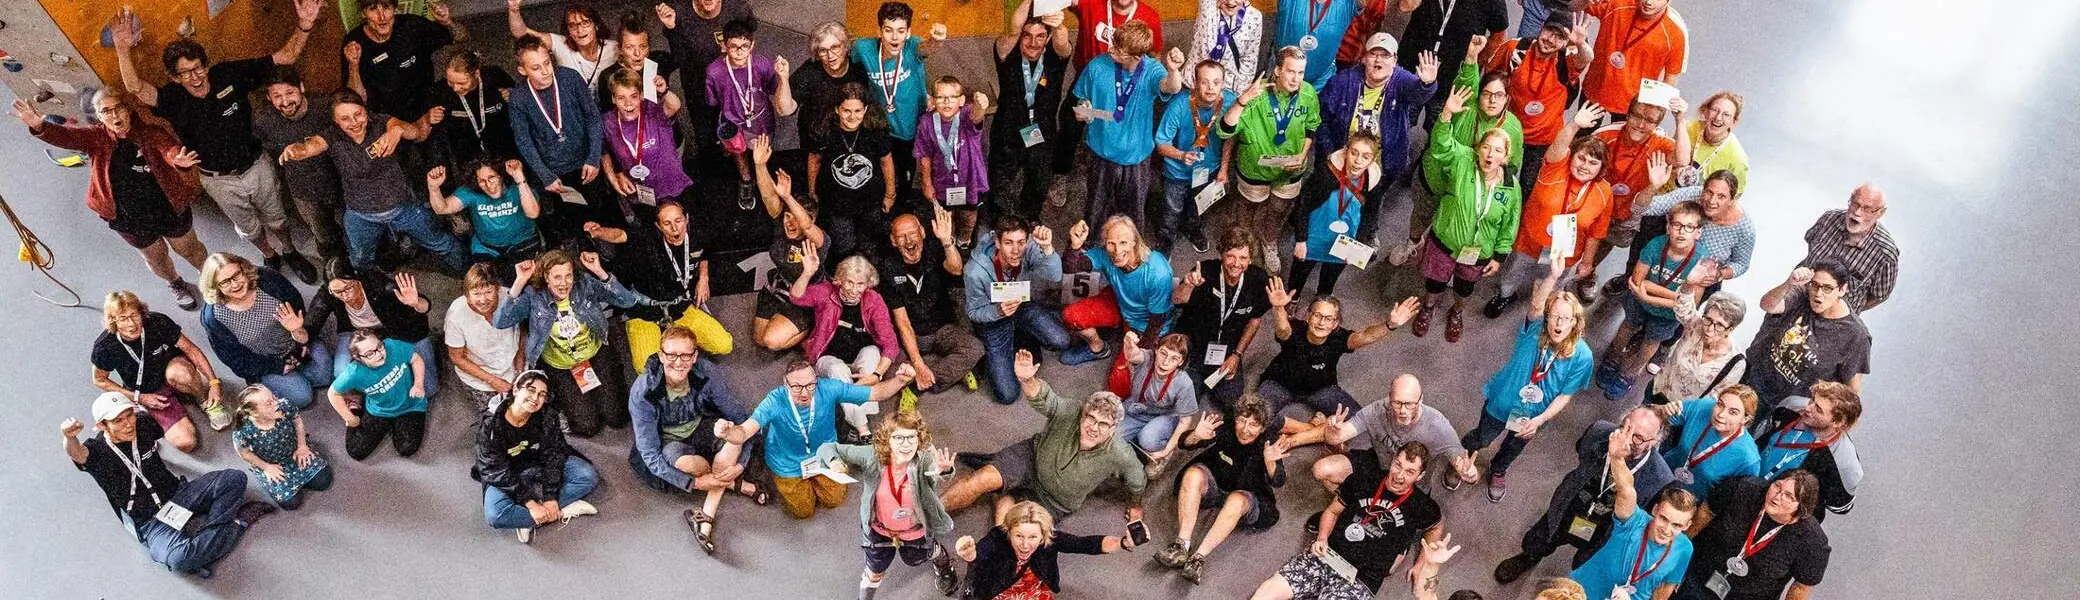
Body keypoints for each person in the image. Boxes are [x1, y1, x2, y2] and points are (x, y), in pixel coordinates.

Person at [109, 0, 325, 284]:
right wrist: (122, 49)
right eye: (185, 73)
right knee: (249, 228)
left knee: (277, 218)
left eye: (198, 68)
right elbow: (135, 87)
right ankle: (269, 254)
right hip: (218, 180)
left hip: (256, 165)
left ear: (206, 65)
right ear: (174, 77)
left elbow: (285, 56)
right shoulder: (172, 99)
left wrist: (305, 24)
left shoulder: (228, 75)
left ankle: (289, 250)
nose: (195, 77)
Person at [14, 92, 211, 310]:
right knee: (156, 257)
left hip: (167, 206)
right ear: (99, 116)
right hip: (127, 216)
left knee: (189, 248)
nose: (114, 115)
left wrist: (178, 160)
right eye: (106, 111)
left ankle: (211, 276)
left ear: (128, 110)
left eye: (118, 108)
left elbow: (168, 149)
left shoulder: (151, 133)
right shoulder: (96, 137)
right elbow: (68, 136)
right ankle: (175, 283)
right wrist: (40, 126)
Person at [66, 393, 275, 578]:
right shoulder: (97, 452)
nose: (128, 424)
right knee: (178, 559)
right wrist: (69, 438)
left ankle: (206, 544)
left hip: (178, 493)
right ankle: (236, 524)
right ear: (103, 425)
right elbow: (77, 453)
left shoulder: (142, 425)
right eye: (118, 421)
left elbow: (156, 431)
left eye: (129, 415)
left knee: (234, 478)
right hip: (149, 522)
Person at [938, 350, 1147, 520]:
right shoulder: (1071, 411)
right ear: (1083, 414)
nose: (1094, 427)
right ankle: (930, 514)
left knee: (1017, 532)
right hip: (1031, 458)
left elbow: (1138, 479)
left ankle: (1003, 495)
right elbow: (1047, 400)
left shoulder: (1120, 453)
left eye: (1103, 424)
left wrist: (1136, 505)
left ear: (1113, 429)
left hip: (1055, 502)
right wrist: (1028, 381)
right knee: (983, 479)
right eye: (1090, 418)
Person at [276, 91, 468, 273]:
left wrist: (397, 130)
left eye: (358, 114)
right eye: (345, 118)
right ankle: (367, 284)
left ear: (366, 111)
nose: (354, 123)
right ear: (336, 122)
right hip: (361, 215)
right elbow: (313, 145)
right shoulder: (332, 135)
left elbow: (417, 132)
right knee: (360, 259)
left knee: (442, 243)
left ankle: (470, 272)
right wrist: (299, 150)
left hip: (403, 207)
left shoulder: (382, 122)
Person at [1492, 408, 1676, 584]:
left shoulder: (1659, 478)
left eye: (1638, 437)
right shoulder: (1599, 431)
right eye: (1625, 427)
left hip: (1606, 526)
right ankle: (1528, 557)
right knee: (1542, 537)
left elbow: (1641, 515)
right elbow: (1581, 449)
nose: (1626, 439)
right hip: (1571, 503)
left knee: (1587, 563)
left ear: (1653, 441)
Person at [1460, 258, 1592, 502]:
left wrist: (1540, 419)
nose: (1558, 323)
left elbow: (1565, 395)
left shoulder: (1583, 356)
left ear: (1575, 321)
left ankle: (1498, 469)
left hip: (1533, 416)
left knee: (1513, 445)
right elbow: (1536, 305)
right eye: (1554, 316)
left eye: (1566, 318)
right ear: (1547, 317)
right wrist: (1553, 276)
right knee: (1482, 436)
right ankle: (1463, 456)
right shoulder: (1535, 329)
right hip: (1502, 402)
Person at [717, 360, 916, 519]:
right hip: (786, 463)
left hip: (825, 455)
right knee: (803, 511)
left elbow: (875, 393)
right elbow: (744, 432)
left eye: (810, 385)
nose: (804, 393)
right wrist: (728, 433)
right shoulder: (774, 401)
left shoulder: (828, 388)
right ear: (785, 384)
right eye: (796, 387)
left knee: (834, 499)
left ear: (817, 381)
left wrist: (899, 381)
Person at [627, 325, 763, 553]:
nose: (678, 362)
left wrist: (740, 465)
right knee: (682, 463)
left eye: (685, 355)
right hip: (669, 442)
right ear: (661, 355)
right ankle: (735, 485)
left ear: (695, 356)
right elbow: (650, 454)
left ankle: (705, 518)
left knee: (733, 436)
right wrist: (694, 483)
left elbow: (741, 421)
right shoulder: (643, 391)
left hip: (702, 426)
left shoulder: (707, 372)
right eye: (671, 355)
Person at [1248, 441, 1442, 600]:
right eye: (1398, 465)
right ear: (1392, 460)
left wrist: (1422, 563)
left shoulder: (1421, 506)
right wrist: (1322, 538)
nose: (1399, 475)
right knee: (1265, 594)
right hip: (1328, 555)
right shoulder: (1364, 478)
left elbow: (1436, 526)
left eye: (1409, 472)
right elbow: (1332, 511)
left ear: (1420, 476)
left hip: (1361, 580)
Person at [496, 250, 650, 437]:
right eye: (557, 277)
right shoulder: (534, 295)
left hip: (596, 354)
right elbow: (501, 321)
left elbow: (627, 301)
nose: (564, 283)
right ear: (546, 277)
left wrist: (600, 272)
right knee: (587, 427)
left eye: (568, 276)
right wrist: (520, 281)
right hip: (561, 366)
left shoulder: (584, 284)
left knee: (617, 418)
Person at [1412, 86, 1523, 343]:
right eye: (1486, 147)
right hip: (1444, 242)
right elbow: (1441, 146)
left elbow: (1510, 223)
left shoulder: (1511, 187)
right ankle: (1428, 307)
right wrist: (1446, 115)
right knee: (1435, 282)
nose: (1490, 154)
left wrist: (1499, 255)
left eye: (1498, 150)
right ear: (1477, 149)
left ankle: (1457, 311)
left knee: (1464, 288)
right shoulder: (1463, 160)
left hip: (1478, 252)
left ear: (1506, 157)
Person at [1484, 106, 1611, 319]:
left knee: (1553, 279)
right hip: (1529, 240)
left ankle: (1542, 302)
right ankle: (1505, 294)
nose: (1584, 166)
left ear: (1601, 168)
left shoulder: (1604, 192)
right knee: (1515, 269)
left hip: (1565, 251)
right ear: (1571, 156)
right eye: (1581, 158)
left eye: (1593, 163)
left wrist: (1587, 262)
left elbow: (1596, 233)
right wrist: (1574, 125)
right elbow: (1558, 147)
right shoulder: (1556, 167)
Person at [826, 410, 961, 598]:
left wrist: (944, 471)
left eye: (911, 438)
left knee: (917, 558)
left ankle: (940, 558)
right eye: (898, 438)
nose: (906, 445)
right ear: (887, 440)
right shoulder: (872, 455)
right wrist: (833, 461)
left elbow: (935, 472)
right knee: (874, 571)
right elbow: (828, 448)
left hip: (915, 531)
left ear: (918, 439)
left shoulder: (925, 459)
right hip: (878, 531)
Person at [1154, 396, 1289, 583]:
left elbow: (1278, 480)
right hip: (1216, 483)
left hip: (1245, 493)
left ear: (1262, 428)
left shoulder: (1269, 442)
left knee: (1236, 501)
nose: (1245, 429)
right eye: (1242, 421)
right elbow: (1185, 443)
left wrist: (1270, 462)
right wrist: (1197, 435)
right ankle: (1181, 546)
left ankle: (1198, 558)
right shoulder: (1226, 426)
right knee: (1192, 475)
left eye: (1253, 424)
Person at [510, 34, 625, 242]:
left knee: (604, 209)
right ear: (522, 70)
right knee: (573, 218)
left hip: (586, 162)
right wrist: (545, 175)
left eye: (547, 63)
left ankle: (615, 247)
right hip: (555, 172)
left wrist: (593, 158)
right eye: (535, 68)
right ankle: (585, 250)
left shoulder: (569, 78)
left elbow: (593, 118)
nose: (545, 71)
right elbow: (524, 140)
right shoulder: (519, 97)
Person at [589, 201, 734, 367]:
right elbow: (619, 235)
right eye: (667, 223)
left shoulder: (697, 235)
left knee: (724, 345)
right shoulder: (647, 239)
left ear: (686, 219)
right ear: (658, 226)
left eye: (678, 221)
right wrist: (598, 232)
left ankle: (675, 338)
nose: (675, 228)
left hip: (679, 307)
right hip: (644, 312)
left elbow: (705, 253)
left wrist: (704, 277)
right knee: (645, 367)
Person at [1070, 22, 1184, 228]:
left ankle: (1132, 246)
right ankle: (1091, 243)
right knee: (1096, 209)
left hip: (1136, 157)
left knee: (1133, 214)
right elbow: (1081, 98)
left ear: (1137, 56)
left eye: (1119, 50)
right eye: (1114, 44)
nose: (1111, 50)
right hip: (1101, 152)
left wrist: (1173, 70)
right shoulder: (1096, 66)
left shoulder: (1152, 70)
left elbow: (1171, 87)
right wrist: (1083, 107)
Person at [1570, 422, 1698, 600]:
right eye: (1664, 519)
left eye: (1677, 525)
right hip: (1581, 594)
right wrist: (1617, 459)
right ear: (1655, 510)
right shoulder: (1633, 521)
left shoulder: (1685, 548)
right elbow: (1626, 490)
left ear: (1687, 526)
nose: (1667, 529)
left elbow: (1664, 590)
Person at [1597, 200, 1709, 399]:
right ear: (1668, 227)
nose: (1682, 231)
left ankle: (1632, 372)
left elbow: (1691, 305)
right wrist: (1676, 297)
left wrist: (1649, 292)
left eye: (1689, 227)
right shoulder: (1655, 245)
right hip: (1640, 302)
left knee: (1652, 340)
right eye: (1677, 225)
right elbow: (1637, 280)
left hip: (1667, 314)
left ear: (1698, 232)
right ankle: (1613, 357)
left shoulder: (1701, 261)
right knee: (1627, 326)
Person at [1222, 48, 1323, 269]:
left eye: (1301, 73)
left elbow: (1311, 126)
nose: (1296, 79)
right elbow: (1225, 130)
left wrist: (1303, 154)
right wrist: (1241, 101)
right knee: (1247, 208)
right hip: (1255, 170)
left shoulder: (1308, 93)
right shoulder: (1256, 95)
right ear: (1277, 70)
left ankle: (1269, 242)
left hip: (1291, 170)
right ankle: (1245, 246)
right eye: (1291, 72)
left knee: (1278, 209)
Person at [1259, 282, 1420, 419]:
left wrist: (1390, 325)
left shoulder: (1339, 337)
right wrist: (1278, 307)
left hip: (1321, 388)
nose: (1322, 322)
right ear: (1308, 316)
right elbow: (1282, 329)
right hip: (1280, 384)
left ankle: (1314, 427)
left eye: (1328, 318)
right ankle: (1312, 427)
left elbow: (1366, 336)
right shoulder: (1294, 329)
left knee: (1358, 420)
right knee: (1254, 418)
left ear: (1335, 323)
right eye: (1317, 315)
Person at [475, 370, 600, 543]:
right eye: (531, 390)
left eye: (542, 394)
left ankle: (528, 519)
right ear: (516, 390)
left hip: (537, 463)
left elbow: (554, 453)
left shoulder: (547, 416)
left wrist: (550, 497)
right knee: (495, 515)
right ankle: (563, 511)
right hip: (508, 471)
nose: (535, 398)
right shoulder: (490, 425)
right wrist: (529, 502)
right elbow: (493, 469)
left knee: (587, 476)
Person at [198, 253, 333, 411]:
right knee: (302, 396)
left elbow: (298, 307)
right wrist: (277, 367)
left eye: (236, 275)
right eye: (225, 282)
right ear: (215, 286)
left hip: (297, 342)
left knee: (324, 376)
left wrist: (301, 337)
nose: (235, 284)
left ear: (243, 268)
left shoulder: (267, 278)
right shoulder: (213, 318)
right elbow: (235, 360)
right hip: (266, 363)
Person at [791, 251, 903, 441]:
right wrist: (807, 274)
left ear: (868, 284)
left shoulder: (874, 300)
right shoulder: (826, 292)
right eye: (849, 282)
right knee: (838, 370)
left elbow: (891, 344)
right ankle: (862, 428)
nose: (854, 289)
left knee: (872, 353)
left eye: (860, 284)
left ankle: (853, 412)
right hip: (828, 357)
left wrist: (876, 375)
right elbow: (796, 297)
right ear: (839, 280)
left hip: (859, 357)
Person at [91, 291, 225, 449]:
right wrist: (139, 397)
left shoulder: (157, 322)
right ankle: (149, 411)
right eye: (123, 319)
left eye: (134, 315)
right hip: (148, 391)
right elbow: (99, 380)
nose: (131, 324)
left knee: (181, 374)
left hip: (174, 370)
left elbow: (191, 350)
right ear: (113, 320)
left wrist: (214, 383)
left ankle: (204, 400)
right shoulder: (105, 346)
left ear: (141, 312)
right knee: (186, 443)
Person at [1307, 375, 1478, 495]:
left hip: (1413, 482)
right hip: (1379, 468)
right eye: (1397, 403)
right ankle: (1349, 503)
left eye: (1409, 404)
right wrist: (1332, 433)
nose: (1403, 410)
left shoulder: (1438, 426)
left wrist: (1469, 474)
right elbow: (1337, 437)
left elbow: (1461, 462)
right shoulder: (1376, 410)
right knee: (1321, 470)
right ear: (1389, 398)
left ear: (1421, 400)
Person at [1673, 472, 1830, 600]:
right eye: (1777, 486)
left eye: (1789, 496)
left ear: (1801, 509)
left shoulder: (1812, 541)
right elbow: (1706, 512)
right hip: (1698, 578)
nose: (1777, 496)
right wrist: (1675, 555)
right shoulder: (1743, 488)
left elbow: (1801, 586)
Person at [875, 211, 984, 395]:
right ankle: (954, 370)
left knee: (975, 348)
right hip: (912, 335)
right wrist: (917, 363)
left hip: (942, 329)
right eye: (901, 237)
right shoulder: (888, 267)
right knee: (890, 372)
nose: (908, 241)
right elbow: (903, 323)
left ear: (923, 232)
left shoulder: (935, 250)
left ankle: (916, 387)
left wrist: (947, 241)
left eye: (913, 233)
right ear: (893, 241)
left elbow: (956, 269)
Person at [965, 215, 1070, 404]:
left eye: (1021, 242)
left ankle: (1021, 337)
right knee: (1008, 395)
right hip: (994, 321)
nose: (1016, 251)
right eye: (1008, 243)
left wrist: (1048, 249)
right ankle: (989, 355)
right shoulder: (975, 271)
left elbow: (1054, 276)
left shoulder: (1028, 249)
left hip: (1021, 306)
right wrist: (997, 311)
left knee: (1061, 340)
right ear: (998, 243)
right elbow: (973, 312)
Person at [1582, 100, 1677, 301]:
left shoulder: (1660, 143)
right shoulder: (1605, 135)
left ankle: (1588, 275)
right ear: (1627, 114)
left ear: (1657, 124)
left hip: (1625, 212)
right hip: (1595, 207)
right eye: (1637, 116)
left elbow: (1682, 159)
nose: (1641, 124)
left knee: (1606, 243)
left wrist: (1681, 118)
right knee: (1582, 241)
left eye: (1649, 120)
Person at [253, 67, 351, 264]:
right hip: (303, 186)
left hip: (339, 178)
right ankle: (337, 264)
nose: (285, 102)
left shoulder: (325, 108)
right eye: (277, 96)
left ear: (302, 88)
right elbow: (269, 151)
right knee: (322, 232)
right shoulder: (263, 119)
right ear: (269, 98)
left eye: (290, 93)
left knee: (356, 220)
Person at [1484, 11, 1592, 187]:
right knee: (1500, 179)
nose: (1551, 40)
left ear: (1566, 43)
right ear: (1541, 27)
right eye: (1549, 31)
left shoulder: (1566, 62)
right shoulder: (1515, 49)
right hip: (1510, 129)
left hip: (1544, 137)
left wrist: (1580, 43)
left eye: (1559, 37)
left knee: (1529, 186)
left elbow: (1586, 58)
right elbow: (1490, 79)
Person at [1314, 33, 1437, 186]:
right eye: (1373, 54)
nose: (1378, 60)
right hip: (1341, 160)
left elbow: (1417, 94)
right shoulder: (1343, 81)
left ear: (1394, 61)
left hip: (1381, 166)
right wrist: (1329, 152)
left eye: (1385, 55)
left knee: (1367, 200)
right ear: (1364, 58)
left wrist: (1427, 84)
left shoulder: (1400, 80)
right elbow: (1321, 118)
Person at [1740, 262, 1871, 406]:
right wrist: (1788, 284)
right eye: (1814, 285)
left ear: (1842, 289)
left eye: (1827, 288)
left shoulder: (1855, 335)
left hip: (1791, 406)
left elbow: (1851, 391)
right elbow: (1768, 305)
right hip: (1755, 380)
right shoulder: (1802, 295)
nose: (1818, 294)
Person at [1170, 228, 1272, 411]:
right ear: (1221, 254)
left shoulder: (1258, 281)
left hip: (1227, 350)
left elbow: (1255, 320)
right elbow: (1177, 299)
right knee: (1183, 403)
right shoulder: (1204, 272)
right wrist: (1188, 285)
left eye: (1243, 258)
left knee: (1232, 402)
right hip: (1194, 344)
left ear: (1250, 259)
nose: (1236, 264)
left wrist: (1237, 355)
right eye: (1230, 256)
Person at [953, 500, 1137, 600]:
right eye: (1019, 536)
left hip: (1034, 592)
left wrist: (1123, 542)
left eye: (1033, 537)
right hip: (998, 591)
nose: (1025, 545)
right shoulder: (998, 536)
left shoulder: (1051, 539)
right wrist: (970, 554)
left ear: (1043, 535)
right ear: (1009, 532)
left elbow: (1086, 544)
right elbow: (981, 554)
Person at [988, 7, 1072, 219]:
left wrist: (1058, 24)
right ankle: (999, 219)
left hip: (1042, 132)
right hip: (1007, 131)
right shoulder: (1007, 54)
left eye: (1040, 36)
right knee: (999, 181)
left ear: (1048, 38)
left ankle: (1030, 217)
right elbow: (1013, 30)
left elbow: (1062, 41)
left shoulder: (1055, 58)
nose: (1033, 43)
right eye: (1027, 36)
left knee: (1039, 180)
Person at [1062, 217, 1176, 369]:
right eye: (1111, 243)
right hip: (1120, 303)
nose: (1117, 251)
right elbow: (1071, 269)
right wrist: (1075, 245)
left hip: (1144, 325)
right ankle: (1098, 348)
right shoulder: (1105, 255)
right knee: (1071, 316)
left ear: (1135, 242)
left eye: (1123, 243)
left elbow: (1157, 322)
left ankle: (1118, 333)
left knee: (1120, 381)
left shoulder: (1158, 272)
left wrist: (1139, 351)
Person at [1286, 132, 1388, 297]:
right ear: (1346, 151)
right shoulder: (1325, 173)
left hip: (1344, 241)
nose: (1358, 161)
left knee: (1331, 276)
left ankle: (1323, 298)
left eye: (1366, 156)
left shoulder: (1373, 183)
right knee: (1300, 272)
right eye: (1354, 153)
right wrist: (1300, 239)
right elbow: (1303, 204)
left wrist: (1357, 245)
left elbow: (1370, 215)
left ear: (1373, 159)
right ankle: (1293, 299)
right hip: (1313, 236)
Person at [751, 141, 830, 351]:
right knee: (759, 339)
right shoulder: (782, 224)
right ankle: (784, 322)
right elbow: (768, 196)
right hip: (779, 287)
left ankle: (811, 328)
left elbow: (806, 224)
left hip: (805, 295)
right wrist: (760, 165)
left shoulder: (819, 238)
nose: (790, 223)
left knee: (772, 341)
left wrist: (787, 196)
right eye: (787, 216)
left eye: (796, 217)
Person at [708, 19, 796, 208]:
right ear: (724, 46)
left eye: (744, 46)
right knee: (738, 152)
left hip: (761, 121)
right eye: (734, 47)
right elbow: (713, 100)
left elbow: (774, 90)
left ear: (752, 45)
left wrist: (783, 78)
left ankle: (765, 181)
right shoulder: (714, 72)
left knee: (763, 153)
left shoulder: (762, 64)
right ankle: (746, 180)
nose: (740, 52)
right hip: (733, 122)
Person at [655, 0, 754, 168]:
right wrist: (672, 29)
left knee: (738, 127)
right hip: (697, 86)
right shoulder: (679, 12)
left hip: (731, 84)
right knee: (705, 136)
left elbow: (749, 37)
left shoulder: (738, 8)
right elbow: (679, 59)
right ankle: (713, 169)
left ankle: (741, 164)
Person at [807, 84, 899, 259]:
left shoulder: (876, 130)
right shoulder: (824, 130)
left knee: (870, 244)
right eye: (846, 111)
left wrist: (890, 194)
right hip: (837, 204)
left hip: (871, 201)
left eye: (858, 111)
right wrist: (812, 191)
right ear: (837, 109)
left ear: (865, 109)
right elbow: (814, 160)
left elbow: (886, 161)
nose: (852, 116)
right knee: (843, 246)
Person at [1152, 59, 1236, 253]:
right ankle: (1166, 238)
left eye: (1216, 82)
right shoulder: (1179, 105)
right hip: (1177, 172)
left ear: (1223, 83)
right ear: (1195, 83)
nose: (1211, 88)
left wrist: (1223, 169)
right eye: (1204, 82)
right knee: (1172, 209)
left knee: (1199, 205)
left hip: (1208, 170)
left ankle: (1192, 228)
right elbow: (1161, 144)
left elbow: (1230, 138)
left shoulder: (1230, 103)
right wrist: (1180, 155)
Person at [305, 270, 436, 391]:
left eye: (348, 288)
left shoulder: (375, 283)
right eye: (337, 292)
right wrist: (301, 335)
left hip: (395, 329)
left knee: (429, 388)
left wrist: (416, 303)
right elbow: (313, 320)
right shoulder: (328, 293)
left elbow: (424, 306)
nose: (344, 296)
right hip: (355, 333)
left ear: (357, 280)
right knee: (341, 373)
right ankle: (358, 398)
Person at [1751, 382, 1864, 521]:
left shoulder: (1845, 464)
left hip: (1780, 514)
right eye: (1812, 400)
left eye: (1818, 409)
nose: (1808, 408)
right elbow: (1764, 434)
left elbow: (1841, 506)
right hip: (1749, 485)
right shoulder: (1790, 406)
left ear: (1837, 423)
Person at [855, 2, 937, 191]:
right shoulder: (863, 48)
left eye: (901, 31)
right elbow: (848, 59)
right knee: (879, 173)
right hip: (880, 125)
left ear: (908, 33)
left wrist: (936, 40)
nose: (894, 37)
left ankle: (903, 201)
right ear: (879, 31)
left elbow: (927, 48)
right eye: (888, 30)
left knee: (904, 174)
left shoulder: (913, 46)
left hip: (908, 125)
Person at [341, 0, 467, 119]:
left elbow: (462, 37)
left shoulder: (411, 25)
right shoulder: (354, 43)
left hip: (428, 106)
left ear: (394, 8)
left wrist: (447, 22)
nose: (382, 17)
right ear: (363, 13)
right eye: (373, 9)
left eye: (386, 7)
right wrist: (353, 66)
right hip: (388, 118)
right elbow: (356, 100)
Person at [1635, 171, 1755, 293]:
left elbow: (1741, 264)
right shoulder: (1691, 195)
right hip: (1662, 266)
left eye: (1721, 196)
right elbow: (1640, 208)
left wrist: (1718, 274)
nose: (1712, 201)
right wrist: (1653, 186)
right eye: (1709, 192)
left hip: (1700, 280)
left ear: (1732, 200)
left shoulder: (1744, 228)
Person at [326, 329, 430, 460]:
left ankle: (395, 424)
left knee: (406, 448)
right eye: (370, 354)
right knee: (356, 451)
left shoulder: (392, 346)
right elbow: (333, 393)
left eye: (379, 346)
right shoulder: (354, 372)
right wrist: (350, 418)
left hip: (410, 405)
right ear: (358, 358)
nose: (379, 354)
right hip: (379, 410)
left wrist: (418, 384)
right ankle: (356, 407)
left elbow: (415, 359)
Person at [1398, 0, 1510, 122]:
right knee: (1398, 119)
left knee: (1439, 127)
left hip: (1452, 78)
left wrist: (1475, 61)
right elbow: (1404, 6)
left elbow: (1499, 34)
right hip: (1414, 66)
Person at [230, 385, 334, 509]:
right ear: (255, 413)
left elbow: (297, 421)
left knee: (324, 481)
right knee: (291, 503)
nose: (276, 403)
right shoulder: (243, 431)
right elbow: (245, 453)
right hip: (272, 465)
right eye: (268, 403)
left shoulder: (284, 406)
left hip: (295, 452)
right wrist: (266, 467)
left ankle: (298, 479)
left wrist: (302, 446)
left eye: (274, 397)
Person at [1579, 0, 1688, 118]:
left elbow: (1671, 77)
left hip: (1634, 105)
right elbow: (1576, 5)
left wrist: (1652, 112)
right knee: (1581, 129)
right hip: (1595, 91)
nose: (1648, 2)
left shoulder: (1675, 32)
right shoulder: (1617, 4)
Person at [1800, 184, 1899, 313]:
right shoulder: (1828, 219)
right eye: (1855, 204)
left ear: (1880, 213)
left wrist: (1845, 310)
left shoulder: (1885, 254)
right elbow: (1810, 243)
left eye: (1867, 209)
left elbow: (1879, 296)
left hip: (1832, 317)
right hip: (1798, 297)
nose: (1857, 212)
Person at [429, 158, 543, 269]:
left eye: (492, 177)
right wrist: (433, 188)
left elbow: (533, 213)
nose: (489, 185)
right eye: (482, 181)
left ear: (501, 176)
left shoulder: (518, 187)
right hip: (487, 248)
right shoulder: (471, 192)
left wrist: (519, 178)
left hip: (523, 243)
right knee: (482, 279)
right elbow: (442, 209)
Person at [1645, 286, 1748, 408]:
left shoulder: (1735, 363)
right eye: (1708, 319)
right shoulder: (1696, 325)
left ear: (1730, 329)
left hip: (1682, 412)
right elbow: (1682, 305)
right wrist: (1690, 283)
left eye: (1720, 325)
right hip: (1657, 391)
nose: (1710, 329)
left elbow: (1715, 399)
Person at [914, 76, 990, 240]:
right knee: (945, 215)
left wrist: (981, 106)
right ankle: (950, 239)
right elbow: (924, 155)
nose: (947, 102)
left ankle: (964, 239)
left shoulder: (966, 114)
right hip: (942, 181)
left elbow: (977, 116)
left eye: (952, 97)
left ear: (961, 100)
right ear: (933, 100)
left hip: (970, 180)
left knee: (969, 214)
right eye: (941, 97)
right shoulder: (926, 122)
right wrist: (927, 183)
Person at [602, 70, 690, 210]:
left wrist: (665, 91)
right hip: (638, 191)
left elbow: (674, 106)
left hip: (670, 186)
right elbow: (603, 150)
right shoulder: (607, 121)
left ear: (641, 95)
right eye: (621, 98)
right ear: (613, 99)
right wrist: (614, 175)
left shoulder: (653, 110)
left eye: (634, 96)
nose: (628, 103)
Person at [1656, 386, 1761, 498]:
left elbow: (1736, 500)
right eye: (1720, 404)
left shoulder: (1748, 459)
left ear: (1745, 419)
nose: (1721, 414)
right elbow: (1658, 416)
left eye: (1733, 412)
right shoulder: (1703, 407)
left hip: (1688, 503)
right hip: (1660, 474)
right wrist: (1664, 410)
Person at [1116, 333, 1202, 472]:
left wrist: (1166, 451)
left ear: (1181, 362)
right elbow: (1132, 355)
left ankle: (1160, 448)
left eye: (1174, 358)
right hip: (1137, 409)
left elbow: (1185, 421)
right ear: (1156, 350)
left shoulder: (1184, 383)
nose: (1165, 362)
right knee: (1111, 436)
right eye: (1163, 353)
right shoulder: (1148, 358)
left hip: (1164, 416)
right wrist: (1128, 342)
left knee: (1148, 439)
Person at [446, 263, 525, 410]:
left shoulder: (509, 297)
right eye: (476, 294)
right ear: (467, 295)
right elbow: (457, 357)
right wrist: (493, 381)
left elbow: (523, 328)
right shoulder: (456, 315)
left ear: (497, 289)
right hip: (480, 379)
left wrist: (520, 361)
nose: (483, 300)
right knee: (496, 414)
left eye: (488, 292)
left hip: (512, 367)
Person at [504, 0, 618, 95]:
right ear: (568, 30)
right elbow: (521, 33)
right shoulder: (561, 44)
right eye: (572, 26)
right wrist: (514, 10)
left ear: (596, 25)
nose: (579, 30)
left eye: (585, 23)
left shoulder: (614, 48)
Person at [794, 22, 873, 153]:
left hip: (850, 137)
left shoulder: (859, 69)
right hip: (814, 141)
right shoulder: (809, 69)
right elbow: (787, 109)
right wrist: (783, 78)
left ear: (846, 46)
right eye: (823, 50)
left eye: (835, 47)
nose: (830, 56)